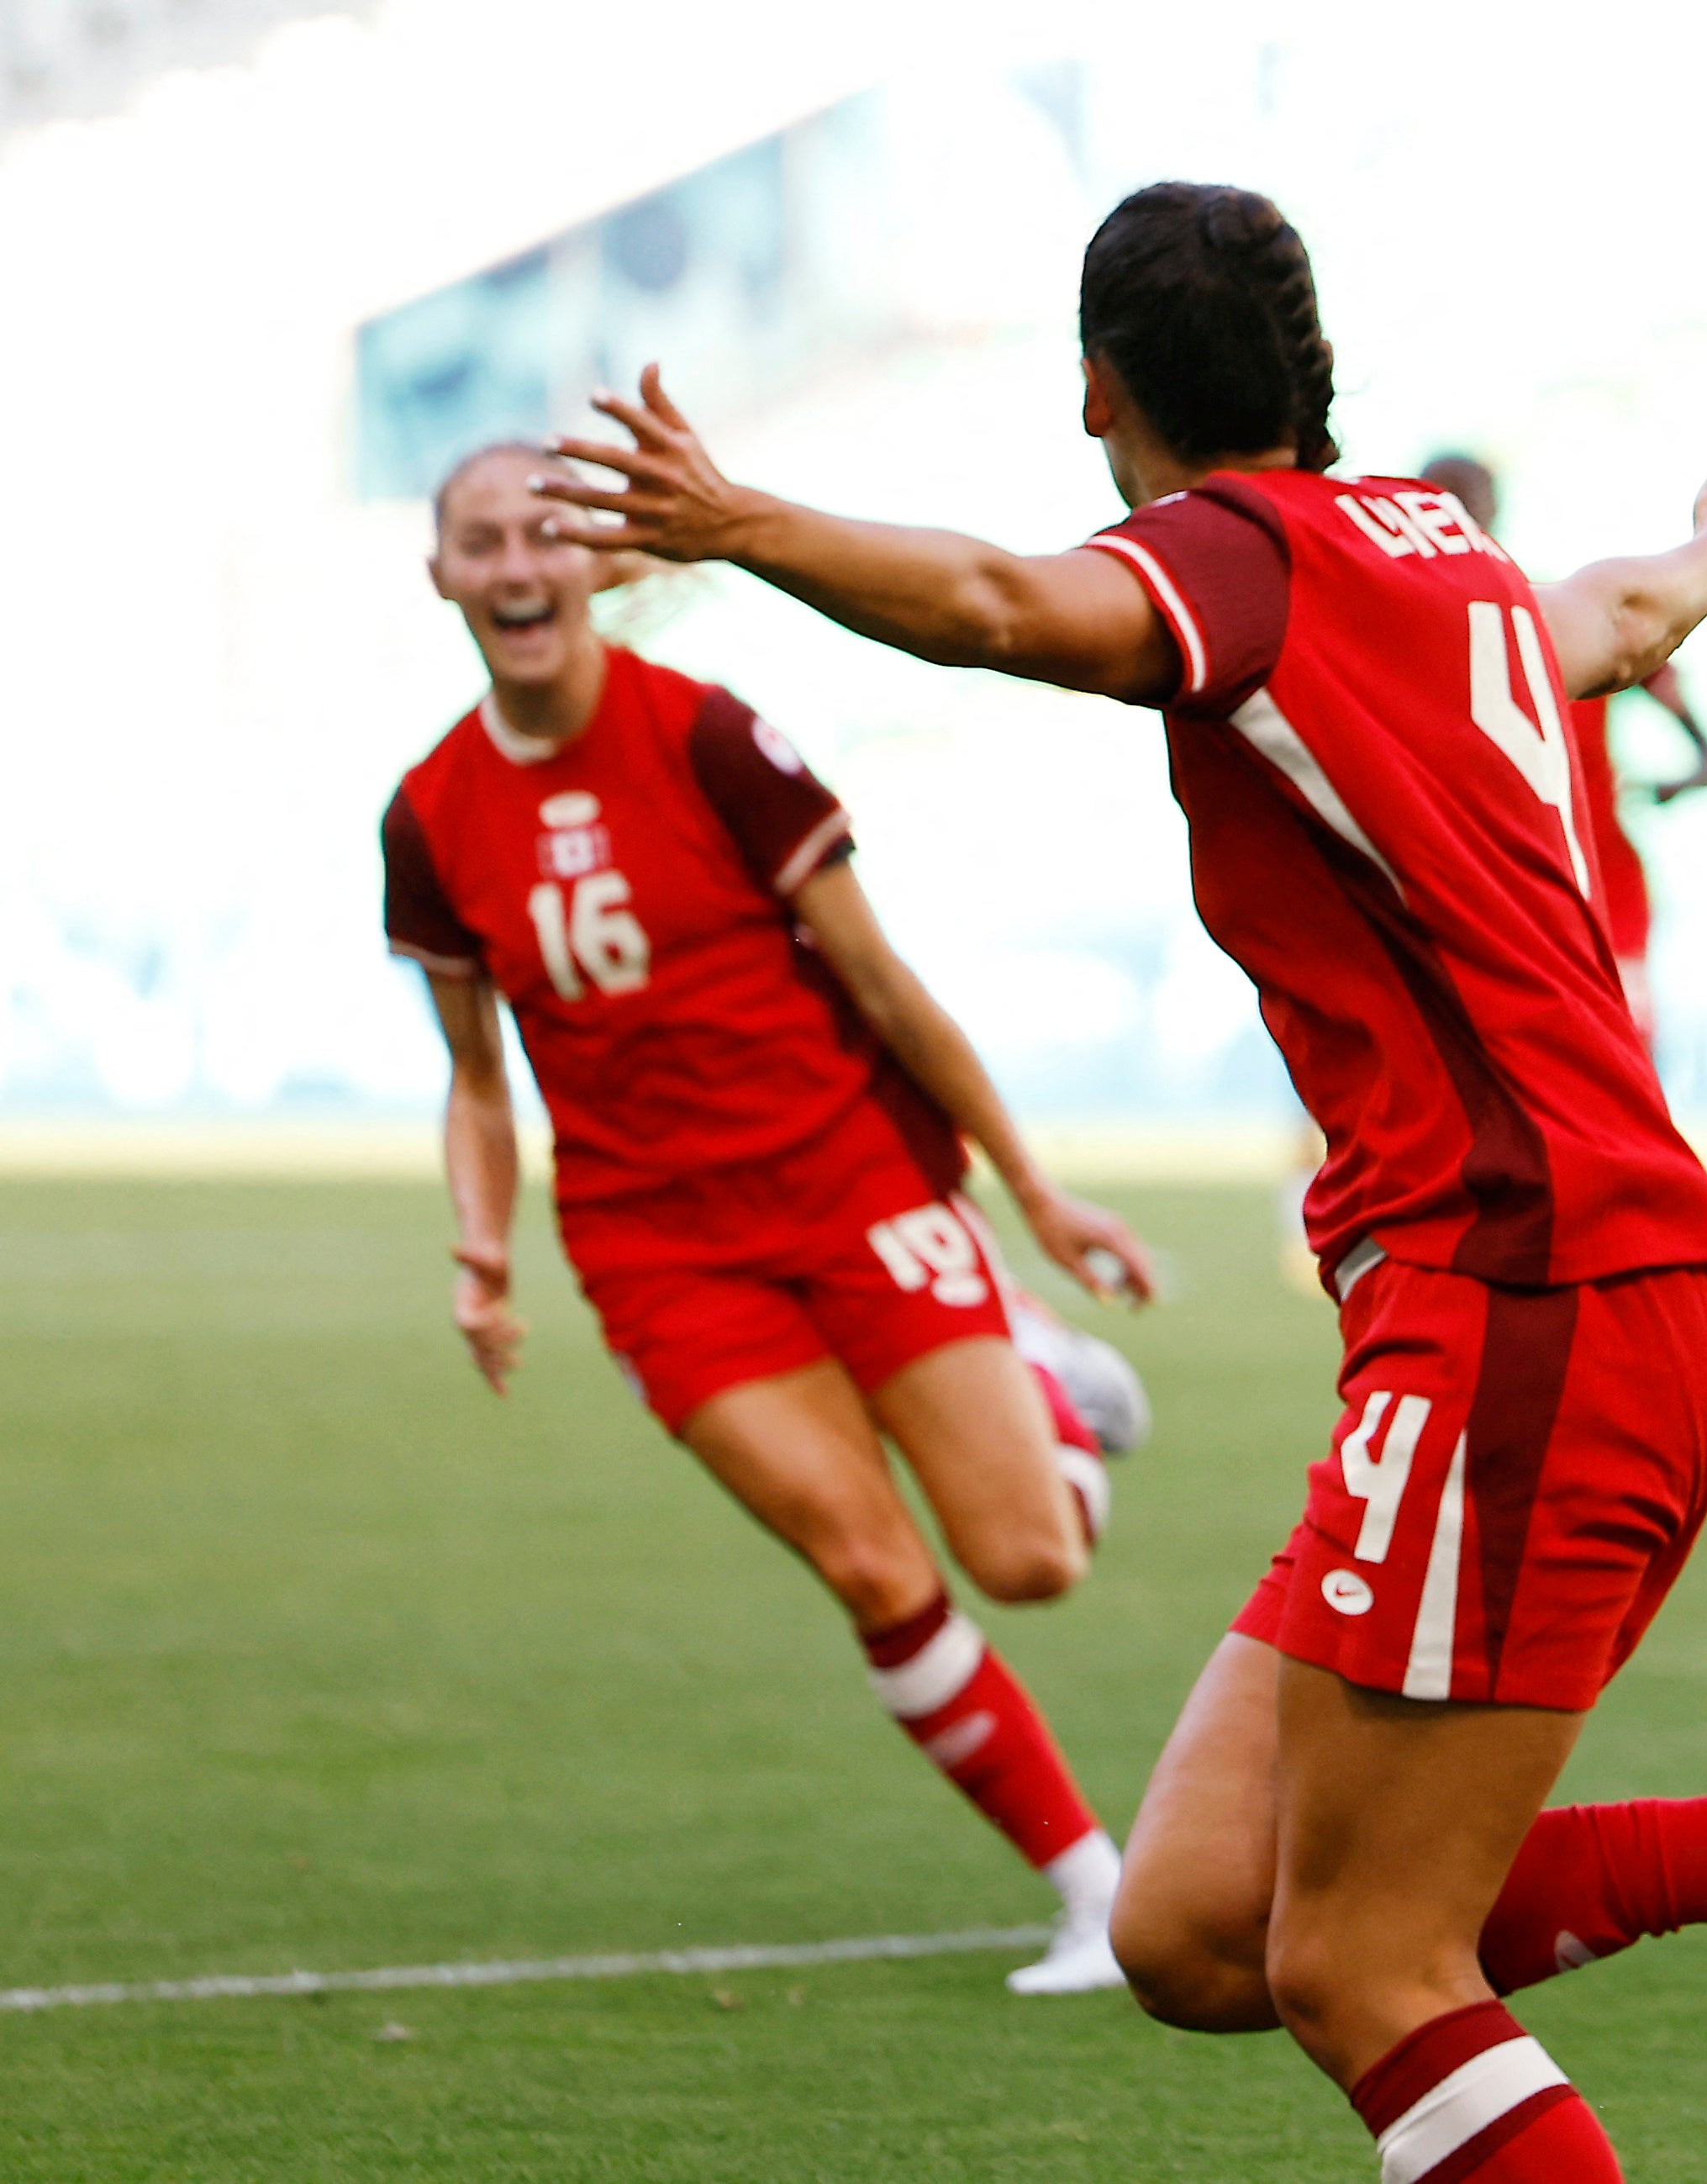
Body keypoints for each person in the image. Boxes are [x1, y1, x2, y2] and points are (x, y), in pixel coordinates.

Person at [524, 182, 1707, 2176]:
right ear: (1311, 372)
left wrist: (735, 524)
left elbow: (984, 606)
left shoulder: (1233, 563)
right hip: (1495, 1316)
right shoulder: (1437, 553)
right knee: (1200, 1923)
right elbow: (1614, 618)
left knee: (1366, 1972)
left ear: (1094, 390)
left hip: (1529, 1308)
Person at [382, 442, 1159, 1997]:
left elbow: (880, 982)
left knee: (1029, 1561)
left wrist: (1027, 1187)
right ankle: (1095, 1890)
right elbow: (479, 1079)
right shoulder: (428, 817)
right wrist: (482, 1243)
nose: (520, 563)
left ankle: (1042, 1377)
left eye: (547, 531)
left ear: (599, 562)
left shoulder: (713, 738)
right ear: (445, 577)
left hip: (854, 1180)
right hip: (659, 1253)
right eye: (484, 540)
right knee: (871, 1571)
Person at [1423, 451, 1707, 1047]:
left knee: (1615, 1064)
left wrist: (1650, 787)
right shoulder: (1558, 612)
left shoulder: (1554, 613)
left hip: (1587, 880)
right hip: (1495, 889)